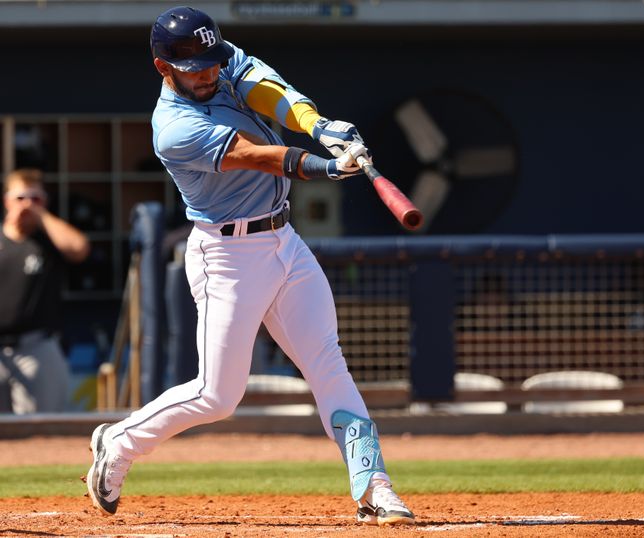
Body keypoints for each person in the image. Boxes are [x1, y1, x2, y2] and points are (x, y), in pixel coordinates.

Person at [86, 6, 415, 526]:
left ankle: (373, 484)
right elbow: (257, 154)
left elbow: (270, 91)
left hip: (284, 239)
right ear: (163, 67)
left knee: (327, 363)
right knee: (218, 396)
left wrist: (319, 126)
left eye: (212, 62)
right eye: (195, 67)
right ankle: (120, 440)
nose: (210, 73)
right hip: (227, 257)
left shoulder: (219, 59)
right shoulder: (173, 128)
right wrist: (329, 165)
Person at [0, 168, 90, 413]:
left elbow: (79, 248)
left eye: (35, 198)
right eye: (21, 198)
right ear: (6, 200)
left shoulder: (48, 239)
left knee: (41, 430)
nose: (27, 204)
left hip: (36, 346)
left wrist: (41, 215)